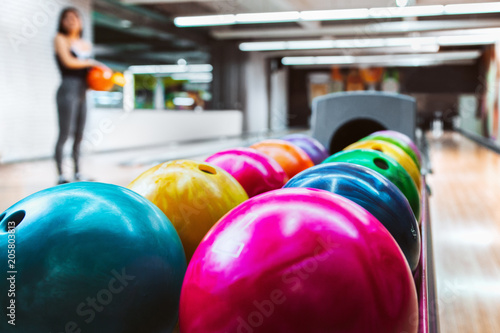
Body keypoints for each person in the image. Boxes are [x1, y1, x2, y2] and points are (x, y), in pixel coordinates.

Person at [54, 7, 102, 184]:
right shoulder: (60, 39)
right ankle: (61, 175)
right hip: (67, 89)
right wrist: (90, 61)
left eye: (75, 17)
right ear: (61, 22)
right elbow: (68, 61)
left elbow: (89, 72)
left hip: (83, 91)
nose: (71, 20)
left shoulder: (85, 44)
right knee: (65, 134)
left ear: (80, 21)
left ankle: (77, 172)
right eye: (66, 18)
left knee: (79, 134)